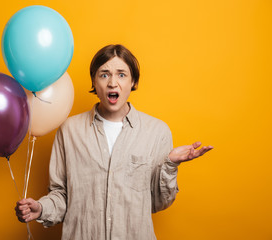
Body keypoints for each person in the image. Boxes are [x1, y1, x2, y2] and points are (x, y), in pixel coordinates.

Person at [15, 44, 213, 239]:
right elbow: (62, 196)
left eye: (121, 74)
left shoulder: (157, 132)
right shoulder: (69, 131)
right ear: (94, 81)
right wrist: (41, 209)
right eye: (104, 74)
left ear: (133, 81)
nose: (112, 82)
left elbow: (158, 202)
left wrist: (170, 165)